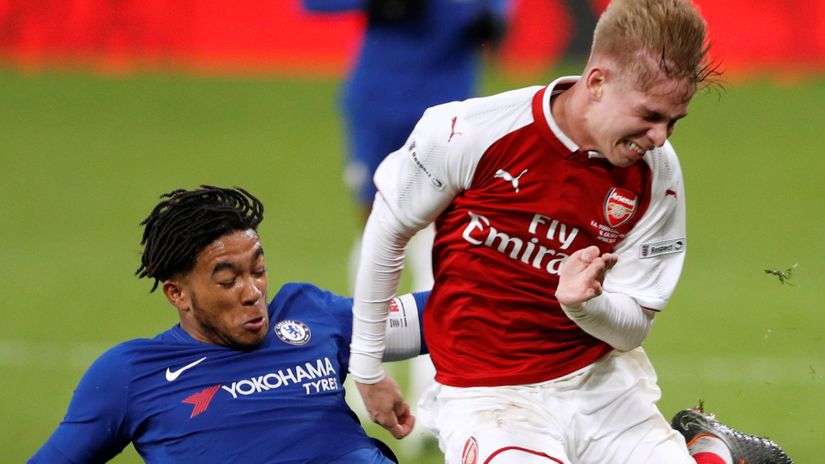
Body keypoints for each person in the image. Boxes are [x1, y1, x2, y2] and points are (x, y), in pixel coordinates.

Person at [348, 0, 793, 463]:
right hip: (489, 398)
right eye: (650, 116)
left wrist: (587, 304)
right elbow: (387, 232)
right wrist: (367, 367)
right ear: (598, 82)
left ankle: (706, 453)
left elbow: (633, 327)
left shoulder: (658, 175)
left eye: (673, 122)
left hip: (603, 390)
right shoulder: (470, 132)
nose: (661, 138)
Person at [29, 186, 429, 463]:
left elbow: (439, 316)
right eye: (228, 280)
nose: (253, 291)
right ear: (177, 294)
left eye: (258, 270)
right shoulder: (132, 374)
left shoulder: (308, 313)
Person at [303, 0, 508, 443]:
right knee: (375, 237)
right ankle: (361, 384)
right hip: (380, 105)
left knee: (442, 250)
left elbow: (494, 24)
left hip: (450, 115)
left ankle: (435, 403)